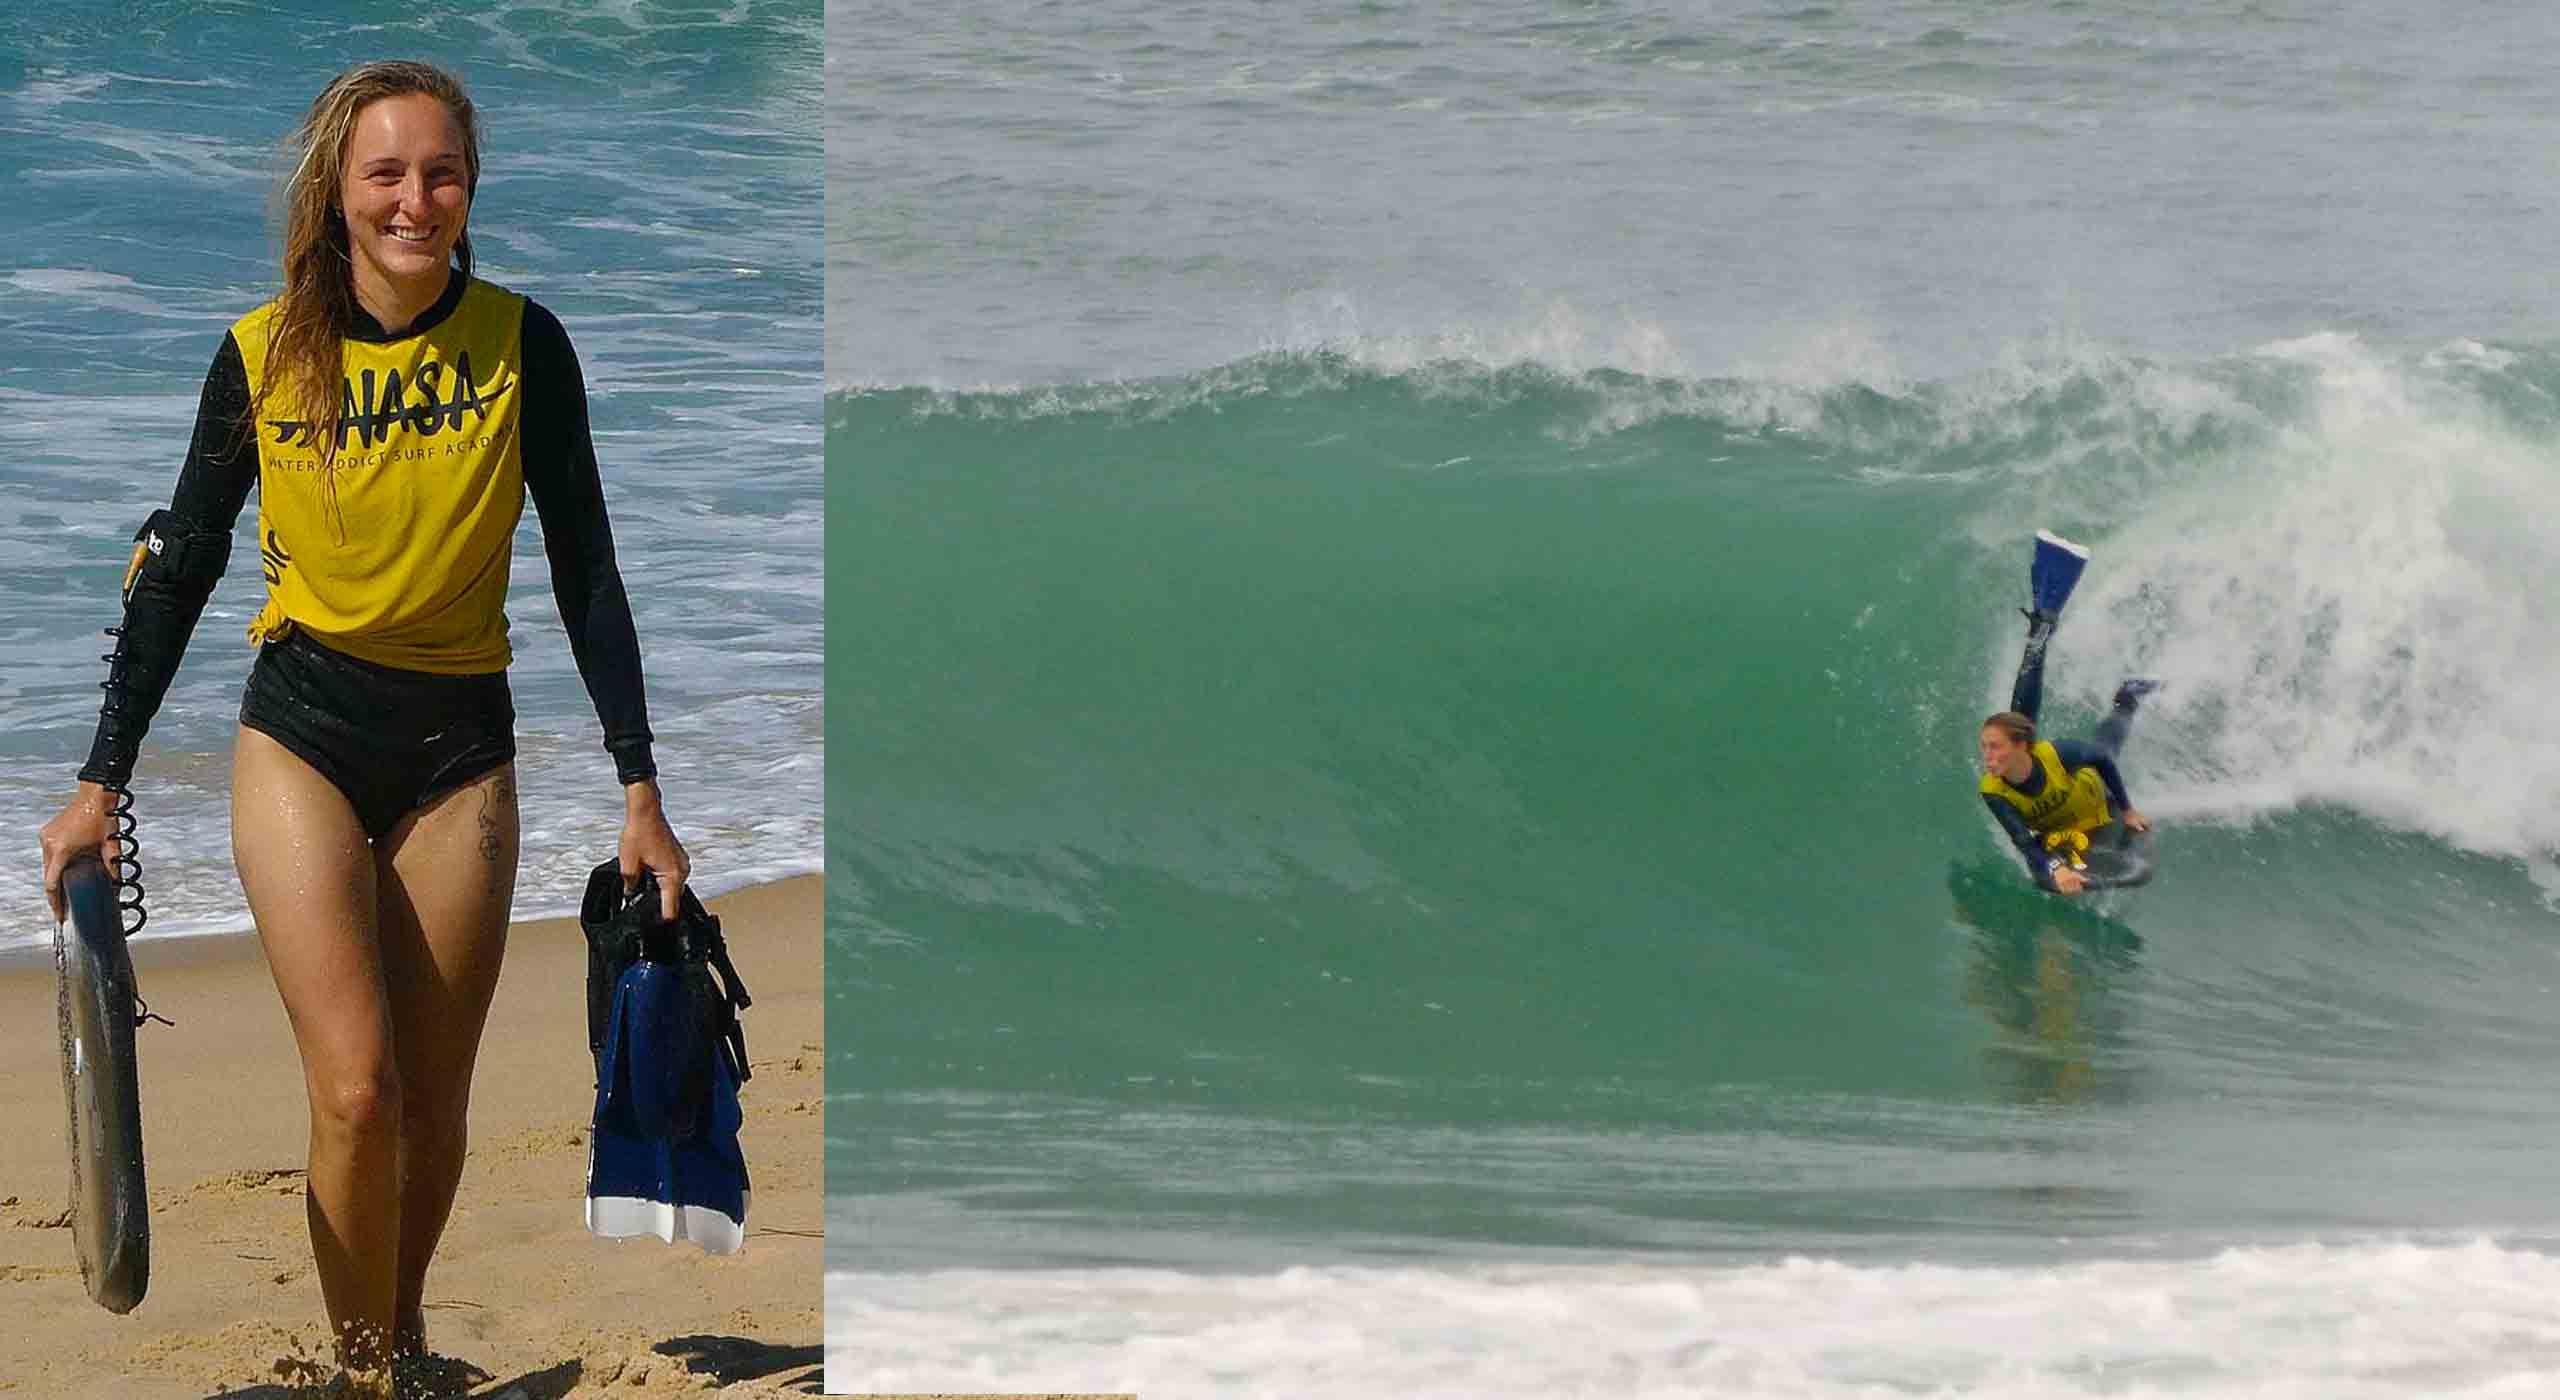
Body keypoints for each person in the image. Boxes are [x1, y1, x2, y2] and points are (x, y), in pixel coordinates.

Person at [32, 61, 690, 1391]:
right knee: (359, 1091)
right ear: (337, 193)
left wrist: (640, 789)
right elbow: (184, 563)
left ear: (471, 188)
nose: (415, 199)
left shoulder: (522, 344)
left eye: (440, 172)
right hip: (306, 734)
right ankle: (365, 1370)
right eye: (385, 174)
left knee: (434, 1113)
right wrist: (101, 781)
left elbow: (588, 571)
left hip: (463, 748)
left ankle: (392, 1343)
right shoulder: (263, 352)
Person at [1978, 604, 2158, 896]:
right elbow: (2023, 840)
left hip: (2096, 796)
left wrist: (2128, 811)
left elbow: (2102, 760)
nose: (1987, 754)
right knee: (2020, 718)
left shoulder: (2056, 755)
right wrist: (2055, 868)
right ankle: (2039, 636)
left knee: (2106, 748)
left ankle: (2127, 698)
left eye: (1994, 746)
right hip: (2061, 829)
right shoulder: (1994, 791)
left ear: (2020, 746)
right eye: (1984, 747)